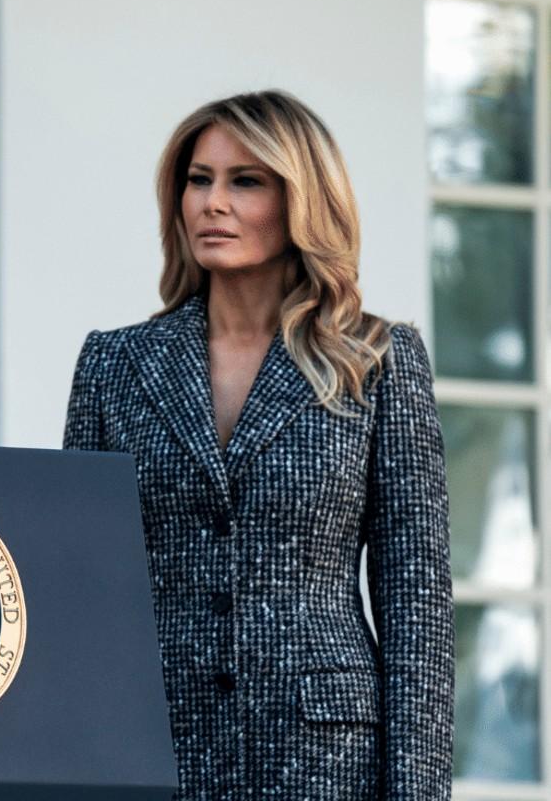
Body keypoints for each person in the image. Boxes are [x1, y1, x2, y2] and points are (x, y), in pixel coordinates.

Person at [62, 90, 453, 799]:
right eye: (199, 179)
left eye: (246, 181)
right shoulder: (113, 366)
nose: (213, 202)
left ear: (302, 201)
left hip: (327, 758)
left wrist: (418, 791)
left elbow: (415, 603)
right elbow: (81, 590)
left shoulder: (378, 361)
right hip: (152, 750)